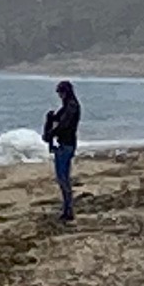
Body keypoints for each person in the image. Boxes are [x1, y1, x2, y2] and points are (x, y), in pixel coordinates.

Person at [41, 80, 80, 223]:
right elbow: (58, 120)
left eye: (60, 92)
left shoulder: (71, 106)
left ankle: (68, 210)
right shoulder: (67, 106)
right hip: (64, 144)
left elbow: (64, 124)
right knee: (63, 178)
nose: (59, 95)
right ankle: (67, 208)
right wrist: (50, 119)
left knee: (63, 178)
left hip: (66, 144)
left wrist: (51, 133)